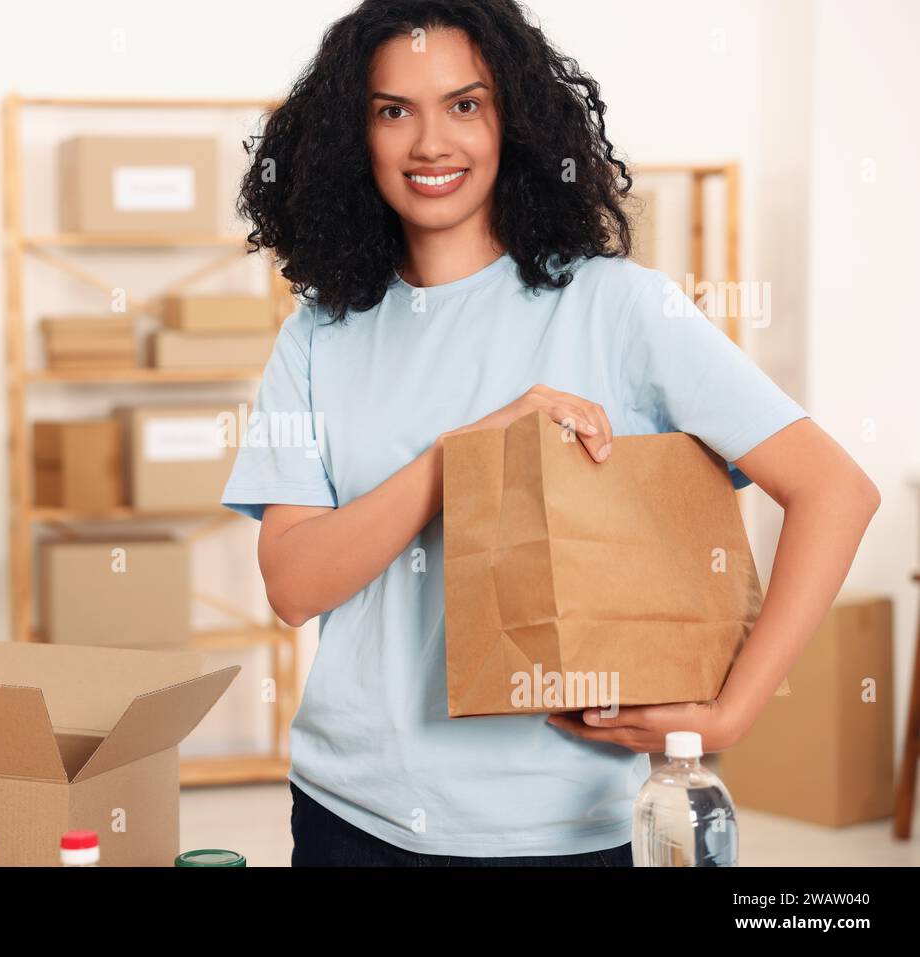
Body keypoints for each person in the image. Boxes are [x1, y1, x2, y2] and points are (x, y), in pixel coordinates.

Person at [219, 0, 880, 867]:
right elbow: (294, 583)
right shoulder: (321, 331)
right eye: (393, 110)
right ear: (354, 136)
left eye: (465, 104)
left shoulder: (618, 307)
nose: (430, 143)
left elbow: (836, 490)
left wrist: (734, 708)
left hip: (563, 829)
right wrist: (464, 457)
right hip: (351, 813)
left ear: (516, 120)